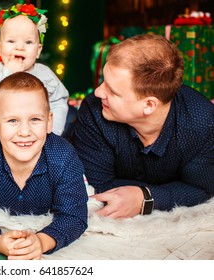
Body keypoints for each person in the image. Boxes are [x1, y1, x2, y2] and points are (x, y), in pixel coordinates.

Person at [72, 33, 214, 219]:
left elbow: (202, 188)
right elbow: (96, 186)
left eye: (112, 91)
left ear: (148, 105)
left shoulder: (201, 121)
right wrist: (174, 188)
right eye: (103, 81)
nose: (98, 92)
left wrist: (145, 196)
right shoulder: (94, 110)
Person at [0, 72, 88, 260]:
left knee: (83, 192)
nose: (25, 132)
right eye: (13, 121)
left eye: (35, 119)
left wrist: (43, 241)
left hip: (61, 186)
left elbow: (74, 216)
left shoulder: (63, 156)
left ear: (49, 122)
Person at [0, 1, 69, 174]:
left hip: (35, 138)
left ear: (38, 50)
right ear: (0, 48)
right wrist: (9, 73)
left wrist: (51, 133)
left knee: (59, 159)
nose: (19, 47)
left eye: (28, 42)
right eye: (11, 41)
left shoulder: (45, 74)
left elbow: (59, 101)